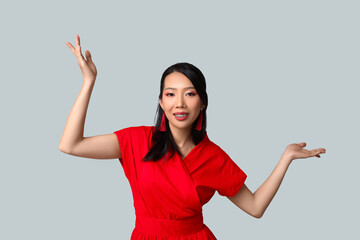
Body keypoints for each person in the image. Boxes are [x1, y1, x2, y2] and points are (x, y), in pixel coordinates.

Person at [59, 34, 326, 240]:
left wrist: (286, 157)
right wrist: (88, 82)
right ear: (161, 103)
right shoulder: (136, 140)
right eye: (170, 94)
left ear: (203, 103)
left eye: (190, 93)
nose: (180, 103)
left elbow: (255, 207)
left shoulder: (213, 157)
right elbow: (70, 145)